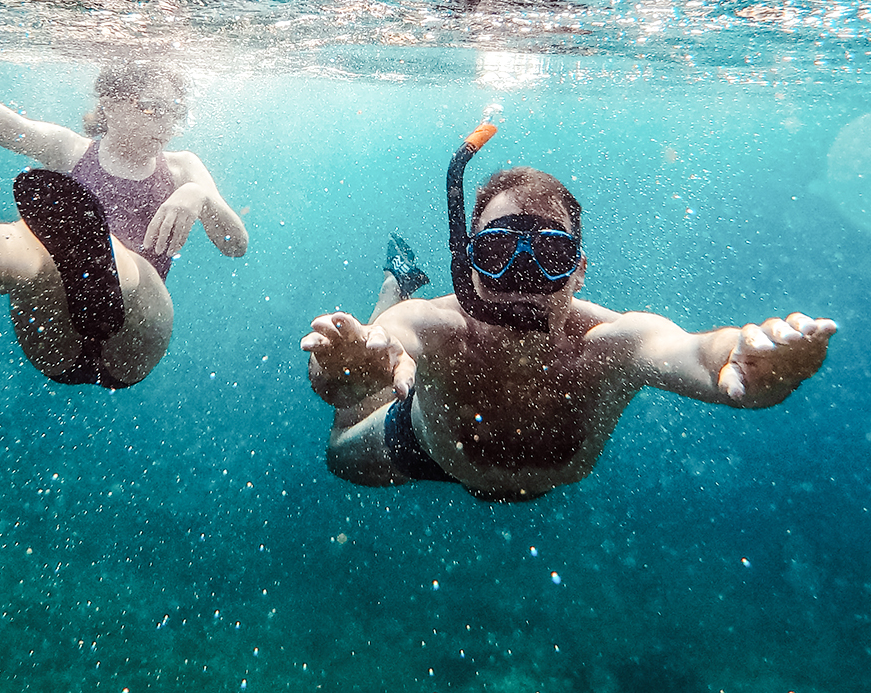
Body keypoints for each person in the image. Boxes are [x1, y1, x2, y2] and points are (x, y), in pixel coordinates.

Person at [301, 123, 835, 502]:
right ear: (469, 264)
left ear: (577, 272)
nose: (523, 280)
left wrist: (740, 359)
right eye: (496, 254)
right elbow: (383, 342)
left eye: (549, 256)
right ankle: (398, 281)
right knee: (342, 443)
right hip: (426, 448)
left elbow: (693, 350)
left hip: (468, 455)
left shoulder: (610, 343)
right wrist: (345, 366)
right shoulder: (436, 330)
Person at [0, 44, 248, 389]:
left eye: (174, 111)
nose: (166, 123)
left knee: (103, 252)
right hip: (55, 331)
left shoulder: (182, 167)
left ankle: (80, 264)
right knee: (34, 240)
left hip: (133, 339)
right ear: (111, 103)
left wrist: (200, 196)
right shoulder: (69, 149)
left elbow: (235, 244)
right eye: (151, 108)